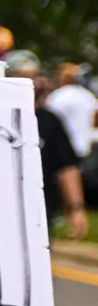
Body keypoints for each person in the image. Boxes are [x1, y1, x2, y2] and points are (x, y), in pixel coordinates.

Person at [23, 72, 89, 239]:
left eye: (33, 76)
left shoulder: (48, 120)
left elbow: (67, 165)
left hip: (40, 211)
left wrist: (76, 208)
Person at [47, 63, 98, 161]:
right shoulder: (88, 95)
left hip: (65, 150)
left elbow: (49, 119)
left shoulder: (58, 96)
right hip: (87, 149)